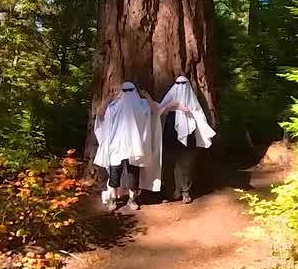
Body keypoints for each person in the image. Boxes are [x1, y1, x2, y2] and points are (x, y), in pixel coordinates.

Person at [92, 82, 188, 212]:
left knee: (133, 174)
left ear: (135, 91)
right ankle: (113, 200)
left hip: (135, 148)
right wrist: (108, 99)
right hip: (116, 148)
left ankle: (132, 199)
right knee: (115, 174)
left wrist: (147, 97)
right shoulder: (113, 107)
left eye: (130, 90)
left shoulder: (143, 105)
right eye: (125, 91)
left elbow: (157, 110)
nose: (128, 94)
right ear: (121, 92)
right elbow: (100, 114)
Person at [159, 75, 216, 204]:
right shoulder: (169, 102)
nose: (181, 88)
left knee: (186, 164)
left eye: (184, 84)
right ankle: (171, 193)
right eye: (178, 84)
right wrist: (172, 107)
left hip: (189, 137)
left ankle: (186, 192)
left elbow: (200, 117)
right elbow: (159, 112)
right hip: (170, 135)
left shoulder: (193, 104)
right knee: (170, 164)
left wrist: (189, 113)